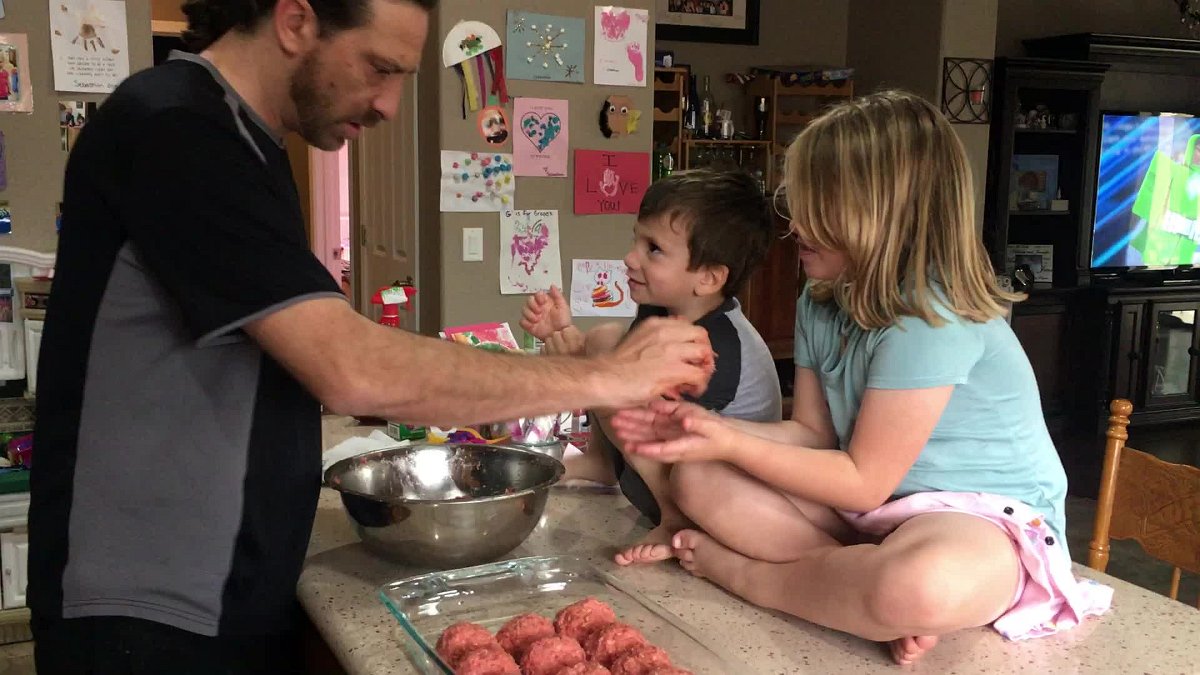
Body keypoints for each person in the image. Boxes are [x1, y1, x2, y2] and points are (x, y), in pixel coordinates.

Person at [28, 1, 715, 673]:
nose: (389, 104)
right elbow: (350, 365)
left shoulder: (245, 140)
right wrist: (608, 375)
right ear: (295, 20)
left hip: (221, 581)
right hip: (147, 608)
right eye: (380, 68)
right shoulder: (179, 132)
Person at [610, 91, 1114, 666]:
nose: (794, 223)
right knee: (696, 477)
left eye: (816, 205)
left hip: (981, 522)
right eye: (796, 202)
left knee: (920, 585)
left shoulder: (930, 317)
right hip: (875, 516)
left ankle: (763, 580)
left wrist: (729, 442)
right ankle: (853, 592)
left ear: (882, 213)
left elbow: (863, 481)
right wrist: (702, 429)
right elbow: (812, 435)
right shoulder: (821, 298)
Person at [521, 170, 781, 567]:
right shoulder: (661, 310)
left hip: (711, 501)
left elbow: (654, 420)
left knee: (614, 382)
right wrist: (566, 338)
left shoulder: (719, 345)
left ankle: (673, 519)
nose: (630, 258)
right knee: (605, 341)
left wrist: (583, 368)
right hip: (667, 462)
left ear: (709, 277)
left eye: (654, 249)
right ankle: (601, 463)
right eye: (637, 240)